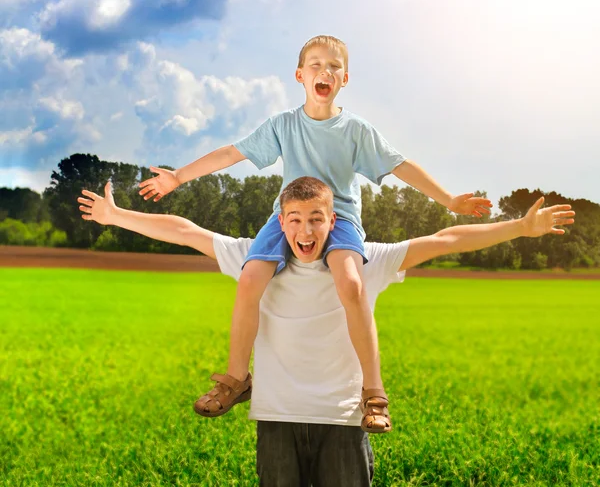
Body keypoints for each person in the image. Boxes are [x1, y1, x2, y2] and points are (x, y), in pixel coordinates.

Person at [78, 177, 573, 486]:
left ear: (332, 222)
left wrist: (518, 228)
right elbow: (185, 231)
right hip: (276, 418)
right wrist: (117, 216)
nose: (305, 230)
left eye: (316, 218)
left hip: (342, 423)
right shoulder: (258, 259)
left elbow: (444, 239)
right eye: (294, 219)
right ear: (281, 223)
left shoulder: (365, 260)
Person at [136, 35, 493, 432]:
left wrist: (448, 200)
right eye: (317, 64)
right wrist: (179, 176)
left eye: (334, 66)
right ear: (300, 75)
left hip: (338, 218)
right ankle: (236, 379)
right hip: (286, 216)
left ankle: (373, 392)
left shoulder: (356, 130)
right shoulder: (283, 125)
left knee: (352, 285)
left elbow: (399, 165)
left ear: (345, 79)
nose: (325, 71)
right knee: (250, 278)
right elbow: (231, 153)